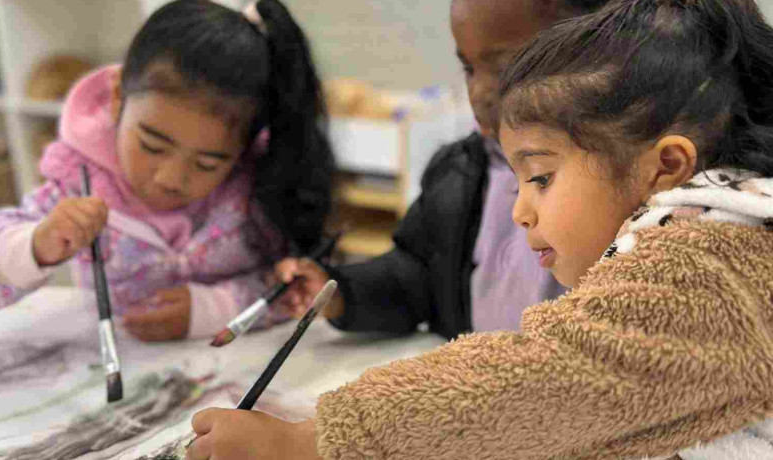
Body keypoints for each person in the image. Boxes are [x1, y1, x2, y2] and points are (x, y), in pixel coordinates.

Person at [186, 0, 773, 458]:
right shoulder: (711, 239)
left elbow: (536, 383)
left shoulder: (709, 262)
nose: (521, 212)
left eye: (541, 177)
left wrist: (311, 443)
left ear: (665, 167)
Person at [0, 0, 334, 342]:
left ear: (242, 149)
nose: (171, 179)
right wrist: (36, 245)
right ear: (117, 99)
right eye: (152, 146)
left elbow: (293, 284)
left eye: (208, 163)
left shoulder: (262, 183)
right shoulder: (78, 179)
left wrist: (212, 309)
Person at [275, 0, 611, 340]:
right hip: (477, 384)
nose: (480, 92)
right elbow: (414, 276)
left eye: (508, 67)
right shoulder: (458, 171)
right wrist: (340, 291)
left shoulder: (623, 179)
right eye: (469, 68)